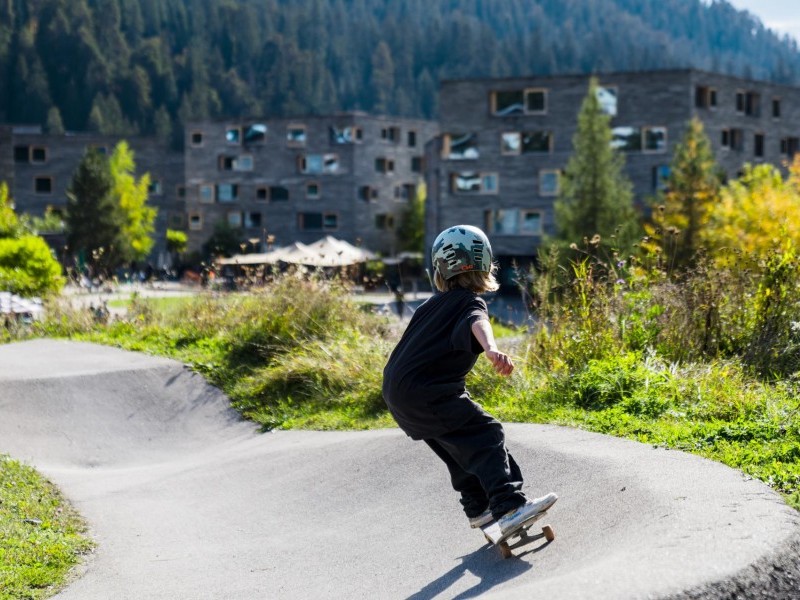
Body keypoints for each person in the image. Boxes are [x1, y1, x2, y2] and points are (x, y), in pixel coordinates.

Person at [382, 225, 557, 533]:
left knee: (457, 448)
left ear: (439, 269)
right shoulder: (469, 302)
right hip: (427, 392)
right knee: (486, 434)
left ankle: (478, 507)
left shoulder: (429, 305)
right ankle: (508, 505)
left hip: (397, 392)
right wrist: (492, 349)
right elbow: (477, 322)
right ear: (486, 265)